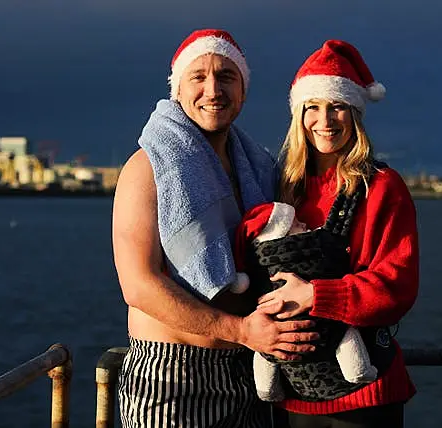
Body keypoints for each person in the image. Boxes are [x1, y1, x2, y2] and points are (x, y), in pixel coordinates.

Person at [112, 29, 319, 428]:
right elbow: (137, 285)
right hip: (172, 379)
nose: (213, 89)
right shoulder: (147, 168)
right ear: (177, 89)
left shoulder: (258, 170)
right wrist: (240, 330)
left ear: (243, 90)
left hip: (250, 369)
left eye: (226, 76)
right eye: (199, 76)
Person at [263, 40, 420, 428]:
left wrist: (315, 294)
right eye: (312, 107)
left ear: (355, 112)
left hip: (365, 393)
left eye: (337, 106)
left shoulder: (382, 186)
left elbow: (397, 286)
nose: (325, 120)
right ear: (298, 115)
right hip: (295, 391)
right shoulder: (283, 187)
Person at [232, 201, 379, 402]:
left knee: (265, 353)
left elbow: (393, 289)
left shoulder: (379, 186)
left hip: (301, 395)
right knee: (344, 333)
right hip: (324, 395)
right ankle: (357, 370)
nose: (305, 225)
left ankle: (266, 389)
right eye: (297, 223)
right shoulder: (291, 186)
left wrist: (314, 293)